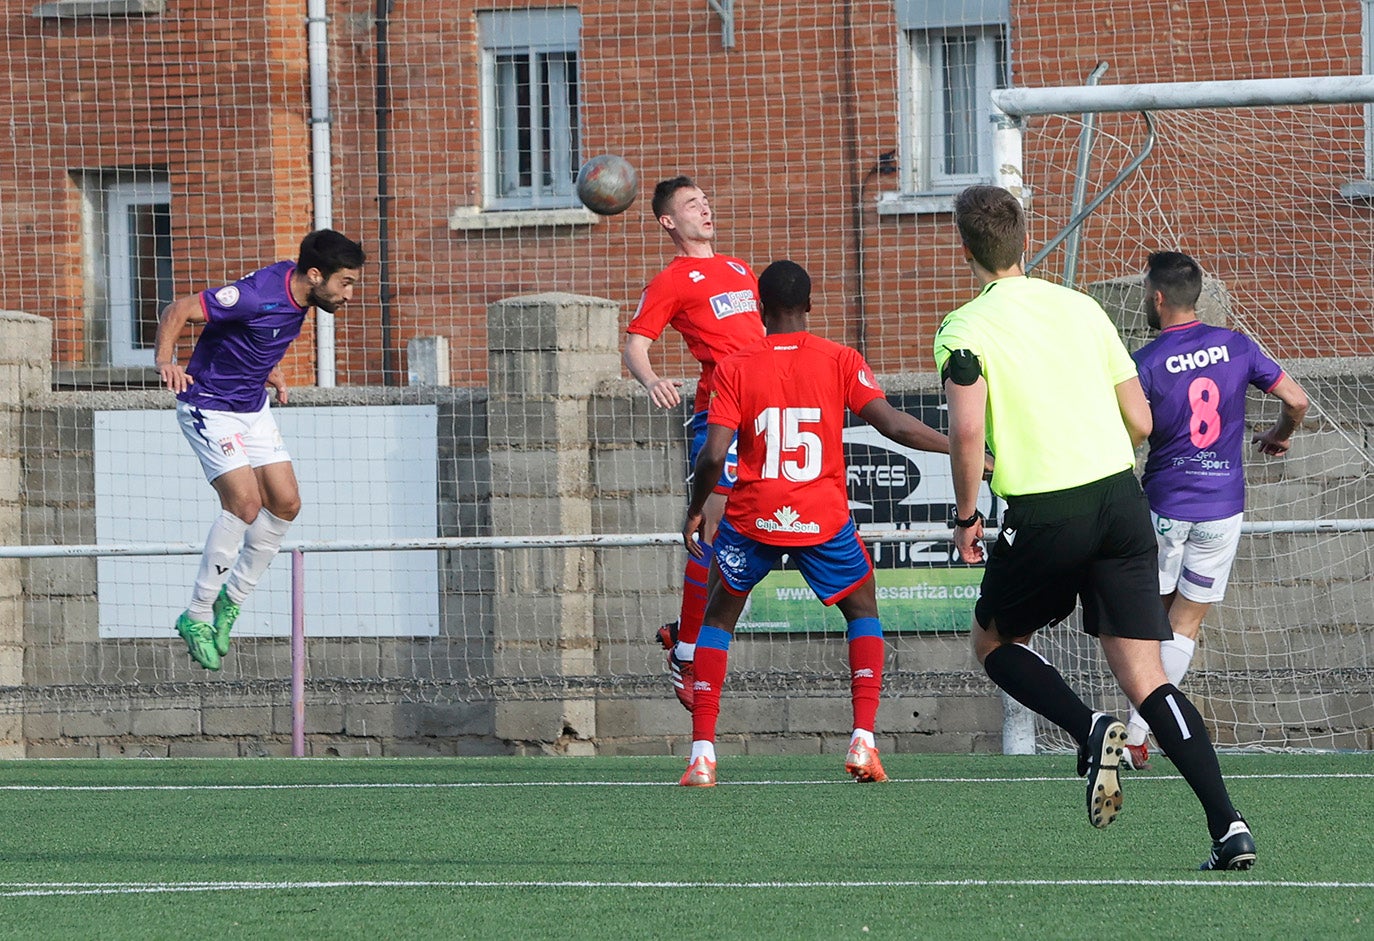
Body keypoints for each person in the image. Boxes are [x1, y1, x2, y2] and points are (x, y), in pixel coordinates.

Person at [934, 185, 1255, 871]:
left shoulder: (964, 328)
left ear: (965, 250)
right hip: (1119, 501)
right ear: (1026, 241)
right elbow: (1141, 421)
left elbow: (965, 432)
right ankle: (1229, 826)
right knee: (1147, 675)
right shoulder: (1082, 307)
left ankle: (1088, 728)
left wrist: (967, 517)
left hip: (1046, 511)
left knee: (993, 638)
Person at [678, 259, 958, 787]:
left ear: (760, 309)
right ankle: (863, 740)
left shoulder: (735, 365)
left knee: (717, 619)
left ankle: (702, 755)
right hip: (821, 520)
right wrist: (959, 450)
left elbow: (714, 453)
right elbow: (893, 424)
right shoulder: (839, 359)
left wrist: (696, 507)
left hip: (753, 515)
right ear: (809, 305)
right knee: (863, 609)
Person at [1119, 251, 1309, 770]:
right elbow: (1296, 400)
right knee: (1186, 623)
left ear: (1157, 298)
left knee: (1148, 620)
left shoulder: (1144, 363)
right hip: (1222, 506)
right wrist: (1278, 435)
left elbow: (1131, 431)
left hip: (1164, 504)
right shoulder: (1237, 345)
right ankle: (1139, 732)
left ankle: (1137, 722)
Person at [153, 229, 366, 671]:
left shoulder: (302, 296)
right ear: (314, 275)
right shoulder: (252, 296)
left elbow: (253, 339)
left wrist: (267, 370)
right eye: (345, 283)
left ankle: (230, 602)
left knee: (287, 504)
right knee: (246, 504)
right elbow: (178, 309)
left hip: (252, 407)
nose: (349, 294)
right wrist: (165, 360)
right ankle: (195, 614)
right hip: (209, 407)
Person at [623, 176, 764, 711]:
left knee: (757, 537)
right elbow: (636, 345)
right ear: (668, 221)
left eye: (706, 200)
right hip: (720, 416)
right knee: (711, 528)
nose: (704, 208)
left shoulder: (737, 269)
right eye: (690, 204)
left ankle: (683, 627)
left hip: (764, 416)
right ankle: (686, 651)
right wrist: (652, 379)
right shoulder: (672, 280)